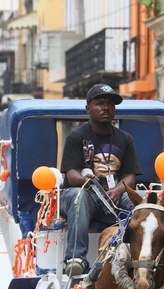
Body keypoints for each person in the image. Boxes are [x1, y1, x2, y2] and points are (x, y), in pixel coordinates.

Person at [60, 84, 143, 275]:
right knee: (77, 197)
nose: (106, 107)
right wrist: (85, 180)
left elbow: (130, 176)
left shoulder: (125, 138)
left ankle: (137, 255)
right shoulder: (76, 136)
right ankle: (76, 259)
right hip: (84, 196)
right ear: (88, 108)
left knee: (138, 201)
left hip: (112, 199)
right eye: (100, 103)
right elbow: (71, 175)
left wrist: (118, 190)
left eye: (110, 104)